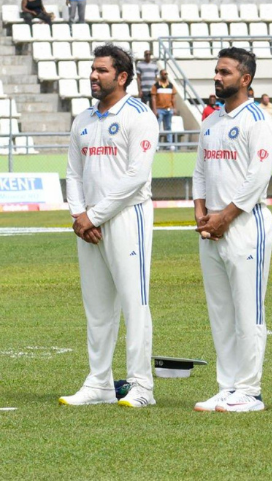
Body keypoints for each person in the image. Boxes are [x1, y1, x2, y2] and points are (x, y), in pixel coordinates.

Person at [60, 45, 158, 409]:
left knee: (135, 304)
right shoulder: (83, 118)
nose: (93, 76)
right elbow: (73, 172)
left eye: (101, 70)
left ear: (121, 76)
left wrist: (93, 215)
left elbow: (136, 176)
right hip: (88, 223)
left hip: (126, 217)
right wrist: (78, 215)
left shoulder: (140, 115)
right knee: (97, 307)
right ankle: (99, 382)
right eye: (92, 69)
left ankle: (141, 386)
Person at [192, 47, 272, 414]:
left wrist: (225, 216)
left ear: (245, 79)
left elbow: (257, 178)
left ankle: (250, 390)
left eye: (225, 72)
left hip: (245, 223)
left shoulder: (259, 120)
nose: (217, 78)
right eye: (216, 71)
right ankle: (227, 386)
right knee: (221, 311)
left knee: (248, 310)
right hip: (211, 226)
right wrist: (202, 215)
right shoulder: (211, 121)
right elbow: (199, 172)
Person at [153, 69, 177, 147]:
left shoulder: (171, 85)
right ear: (161, 75)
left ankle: (169, 144)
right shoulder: (156, 85)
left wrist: (174, 108)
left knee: (168, 127)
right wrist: (154, 109)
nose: (165, 75)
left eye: (166, 74)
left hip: (169, 109)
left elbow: (173, 98)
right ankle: (157, 144)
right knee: (157, 127)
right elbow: (153, 98)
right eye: (164, 74)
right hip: (159, 109)